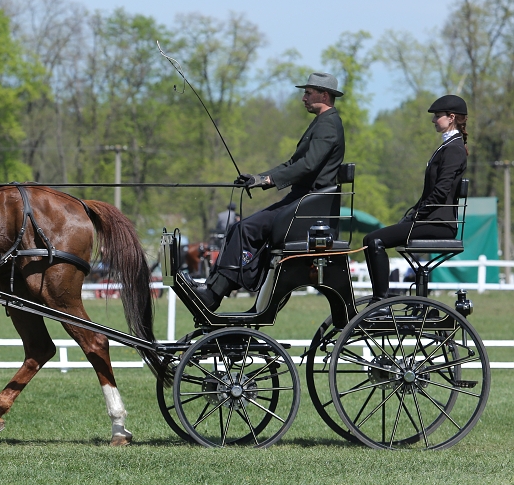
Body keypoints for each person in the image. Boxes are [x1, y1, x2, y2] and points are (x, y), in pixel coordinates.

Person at [189, 72, 346, 310]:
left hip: (309, 205)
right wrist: (259, 178)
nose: (303, 98)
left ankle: (213, 294)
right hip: (300, 200)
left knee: (245, 228)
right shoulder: (322, 123)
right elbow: (293, 164)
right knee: (238, 228)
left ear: (324, 95)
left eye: (307, 93)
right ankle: (214, 286)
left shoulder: (328, 125)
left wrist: (270, 178)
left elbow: (308, 165)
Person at [362, 94, 468, 302]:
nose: (433, 120)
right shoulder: (448, 147)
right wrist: (413, 214)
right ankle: (381, 299)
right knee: (370, 239)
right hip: (430, 219)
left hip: (439, 223)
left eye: (437, 116)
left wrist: (418, 214)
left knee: (374, 240)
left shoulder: (454, 149)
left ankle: (381, 302)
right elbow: (431, 192)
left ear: (451, 117)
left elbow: (440, 191)